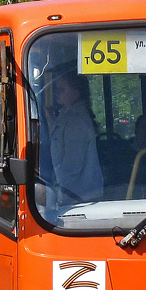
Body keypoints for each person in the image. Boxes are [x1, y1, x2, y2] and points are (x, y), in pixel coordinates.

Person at [45, 72, 103, 205]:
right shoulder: (68, 115)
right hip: (77, 192)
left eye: (62, 89)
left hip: (78, 195)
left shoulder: (77, 120)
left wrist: (58, 193)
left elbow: (72, 164)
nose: (56, 93)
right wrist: (50, 119)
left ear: (76, 92)